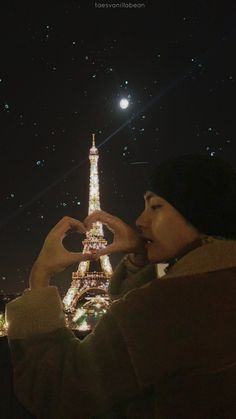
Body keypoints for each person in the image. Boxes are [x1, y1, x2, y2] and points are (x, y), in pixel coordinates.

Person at [6, 154, 236, 419]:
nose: (139, 220)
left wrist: (40, 277)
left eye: (155, 206)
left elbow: (57, 390)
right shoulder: (218, 285)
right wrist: (141, 258)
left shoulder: (164, 308)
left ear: (197, 210)